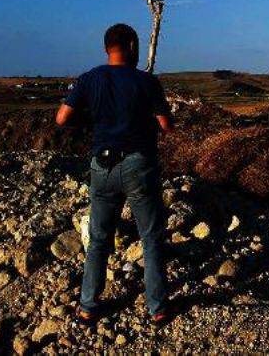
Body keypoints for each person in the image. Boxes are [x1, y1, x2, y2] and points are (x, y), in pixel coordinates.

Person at [55, 23, 174, 327]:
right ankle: (157, 308)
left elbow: (62, 118)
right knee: (151, 237)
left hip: (102, 166)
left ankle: (87, 307)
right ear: (132, 45)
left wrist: (91, 121)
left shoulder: (88, 79)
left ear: (107, 47)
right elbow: (165, 125)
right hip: (138, 165)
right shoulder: (146, 82)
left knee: (98, 240)